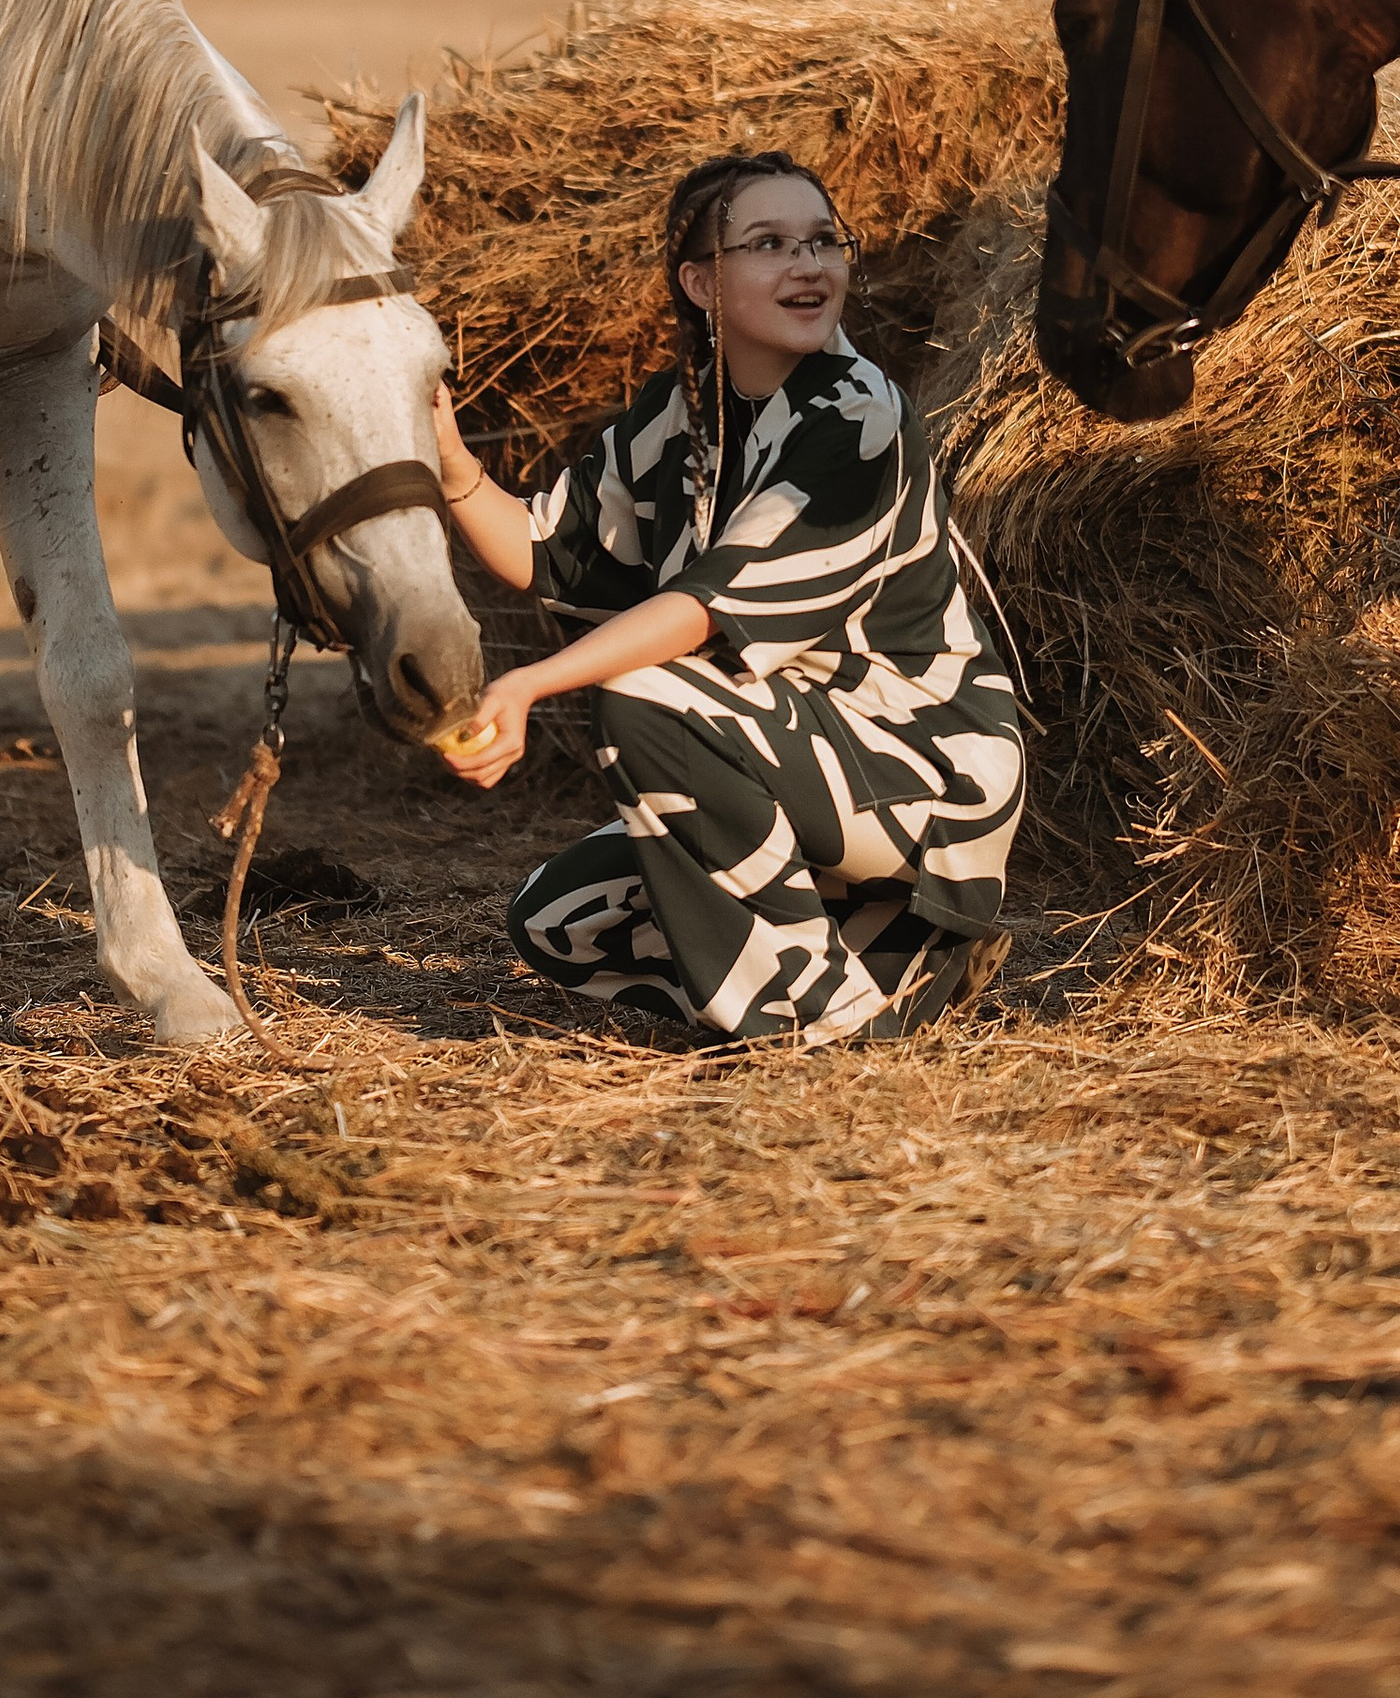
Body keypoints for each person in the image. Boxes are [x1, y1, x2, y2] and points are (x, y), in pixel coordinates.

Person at [431, 148, 1024, 1046]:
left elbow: (707, 610)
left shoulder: (859, 416)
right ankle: (903, 969)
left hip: (918, 763)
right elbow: (551, 552)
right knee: (561, 918)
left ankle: (821, 1028)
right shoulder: (680, 419)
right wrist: (447, 462)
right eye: (770, 244)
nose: (808, 264)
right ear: (702, 284)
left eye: (825, 241)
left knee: (647, 698)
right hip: (791, 753)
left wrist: (526, 686)